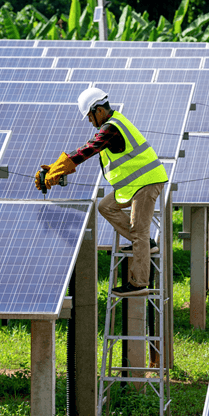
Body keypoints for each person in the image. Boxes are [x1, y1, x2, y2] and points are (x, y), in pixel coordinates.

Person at [35, 87, 168, 296]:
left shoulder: (111, 128)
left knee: (140, 229)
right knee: (105, 206)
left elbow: (89, 149)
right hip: (134, 185)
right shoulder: (112, 123)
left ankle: (139, 282)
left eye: (89, 115)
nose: (89, 121)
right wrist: (56, 167)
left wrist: (61, 167)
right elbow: (89, 147)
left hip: (147, 183)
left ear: (98, 110)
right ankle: (142, 243)